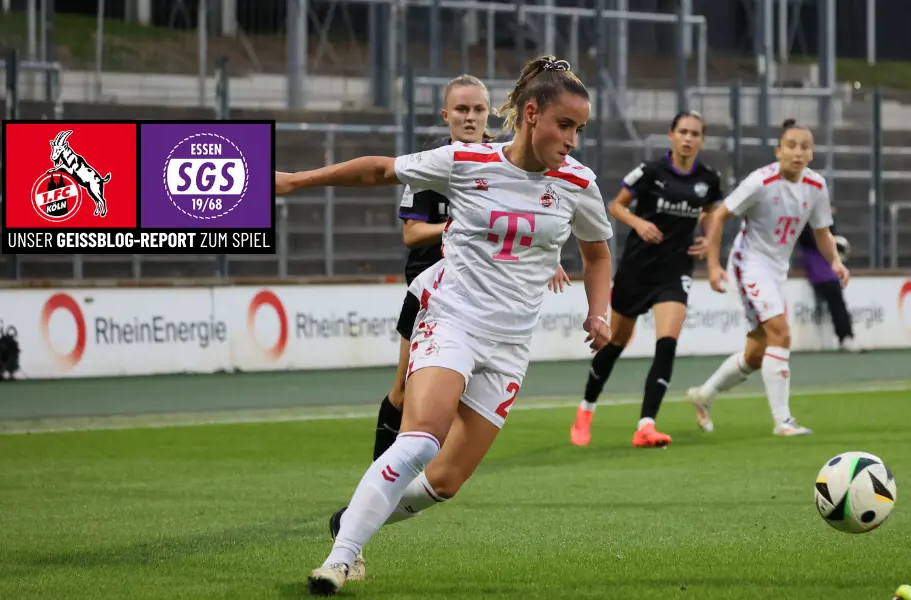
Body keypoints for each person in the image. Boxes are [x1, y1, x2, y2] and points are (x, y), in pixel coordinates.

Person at [276, 55, 614, 596]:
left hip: (509, 346)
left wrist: (598, 312)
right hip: (451, 319)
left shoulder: (578, 182)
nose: (573, 139)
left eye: (580, 129)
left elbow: (596, 256)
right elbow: (381, 169)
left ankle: (353, 519)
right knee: (419, 441)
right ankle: (339, 560)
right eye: (566, 125)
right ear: (532, 114)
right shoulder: (466, 161)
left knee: (445, 482)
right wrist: (295, 181)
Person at [347, 75, 572, 583]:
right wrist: (458, 226)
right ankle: (371, 497)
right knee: (402, 393)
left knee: (442, 433)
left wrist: (545, 256)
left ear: (493, 114)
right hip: (431, 292)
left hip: (490, 304)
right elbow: (411, 235)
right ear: (444, 116)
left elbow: (541, 217)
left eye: (478, 110)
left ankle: (367, 514)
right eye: (460, 110)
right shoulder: (433, 165)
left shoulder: (513, 163)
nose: (470, 118)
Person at [568, 110, 724, 448]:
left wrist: (708, 240)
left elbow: (712, 212)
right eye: (682, 131)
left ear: (701, 140)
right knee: (615, 344)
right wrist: (639, 224)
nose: (688, 138)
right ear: (671, 135)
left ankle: (646, 425)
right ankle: (586, 409)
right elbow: (616, 206)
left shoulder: (709, 179)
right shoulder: (651, 172)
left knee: (666, 345)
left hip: (675, 271)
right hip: (637, 269)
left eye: (695, 133)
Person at [687, 118, 850, 436]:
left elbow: (822, 232)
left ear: (812, 154)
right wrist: (713, 266)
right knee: (781, 333)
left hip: (776, 270)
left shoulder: (815, 186)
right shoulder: (760, 182)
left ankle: (705, 395)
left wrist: (836, 263)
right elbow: (718, 215)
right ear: (779, 151)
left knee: (757, 353)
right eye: (791, 145)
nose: (797, 152)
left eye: (805, 147)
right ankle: (783, 421)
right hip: (748, 264)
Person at [796, 215, 861, 352]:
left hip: (825, 268)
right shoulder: (804, 225)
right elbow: (814, 238)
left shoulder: (818, 221)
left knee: (837, 301)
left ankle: (846, 337)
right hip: (819, 268)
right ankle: (845, 337)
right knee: (836, 300)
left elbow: (829, 234)